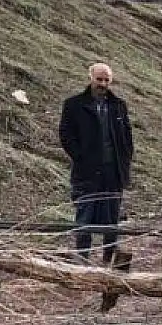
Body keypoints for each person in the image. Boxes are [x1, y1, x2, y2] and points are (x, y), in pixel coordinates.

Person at [58, 63, 134, 264]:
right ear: (90, 77)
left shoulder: (118, 105)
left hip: (113, 171)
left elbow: (127, 137)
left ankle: (109, 259)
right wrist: (80, 157)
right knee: (85, 214)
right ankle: (82, 260)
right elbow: (65, 134)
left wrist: (124, 162)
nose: (102, 83)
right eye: (99, 79)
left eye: (106, 80)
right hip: (86, 172)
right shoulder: (73, 104)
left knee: (112, 217)